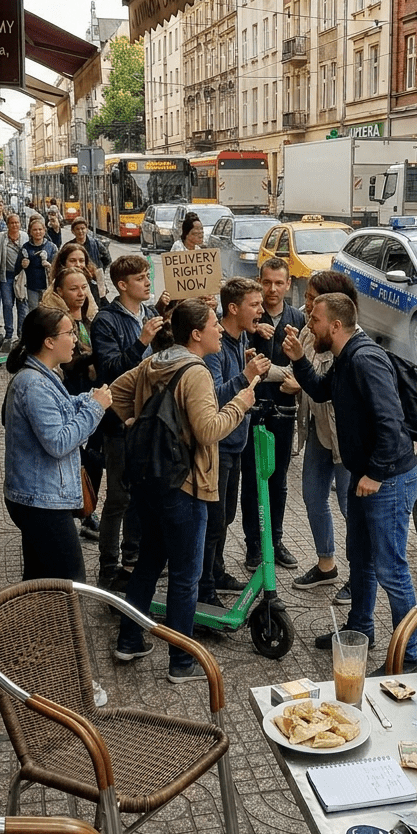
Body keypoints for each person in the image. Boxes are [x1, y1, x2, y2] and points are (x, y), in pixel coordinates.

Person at [109, 300, 255, 682]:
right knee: (186, 575)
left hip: (150, 481)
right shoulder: (197, 372)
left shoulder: (154, 362)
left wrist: (133, 422)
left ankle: (129, 640)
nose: (220, 330)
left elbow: (117, 391)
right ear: (196, 334)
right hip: (185, 484)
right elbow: (208, 430)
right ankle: (182, 661)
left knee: (148, 563)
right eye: (213, 325)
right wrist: (241, 403)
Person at [283, 293, 417, 668]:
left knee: (392, 570)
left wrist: (375, 474)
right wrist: (298, 358)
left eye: (315, 320)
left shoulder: (365, 359)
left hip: (388, 480)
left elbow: (391, 423)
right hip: (366, 478)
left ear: (336, 326)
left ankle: (410, 657)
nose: (310, 327)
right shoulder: (344, 359)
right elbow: (320, 389)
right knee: (360, 558)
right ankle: (360, 628)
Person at [3, 305, 111, 583]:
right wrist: (94, 409)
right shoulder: (34, 383)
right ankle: (60, 627)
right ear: (49, 341)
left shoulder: (43, 375)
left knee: (39, 579)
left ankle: (30, 626)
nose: (75, 339)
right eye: (69, 333)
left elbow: (60, 408)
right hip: (41, 502)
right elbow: (58, 442)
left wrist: (88, 399)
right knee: (69, 581)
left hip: (37, 497)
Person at [91, 255, 166, 589]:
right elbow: (109, 370)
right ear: (122, 286)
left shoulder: (150, 314)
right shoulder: (106, 321)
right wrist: (141, 342)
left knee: (142, 492)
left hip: (148, 417)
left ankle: (132, 557)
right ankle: (108, 564)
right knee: (119, 496)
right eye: (140, 278)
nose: (148, 283)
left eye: (148, 276)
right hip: (119, 419)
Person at [200, 278, 270, 605]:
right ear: (233, 308)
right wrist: (245, 375)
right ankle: (203, 589)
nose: (261, 309)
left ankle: (216, 571)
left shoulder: (239, 342)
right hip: (218, 447)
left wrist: (248, 369)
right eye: (254, 305)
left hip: (235, 444)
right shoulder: (216, 347)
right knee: (213, 521)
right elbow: (212, 397)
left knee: (225, 516)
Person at [293, 271, 358, 606]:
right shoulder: (310, 330)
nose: (305, 306)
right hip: (320, 430)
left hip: (345, 437)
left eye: (312, 299)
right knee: (313, 495)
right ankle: (326, 564)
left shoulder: (352, 346)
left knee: (351, 507)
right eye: (307, 298)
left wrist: (296, 377)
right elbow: (304, 376)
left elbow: (322, 386)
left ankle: (359, 577)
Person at [240, 257, 304, 571]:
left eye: (279, 283)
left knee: (278, 480)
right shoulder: (249, 316)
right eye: (267, 282)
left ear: (289, 283)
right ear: (260, 281)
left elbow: (304, 367)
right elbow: (242, 360)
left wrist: (297, 379)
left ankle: (275, 540)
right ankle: (254, 545)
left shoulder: (297, 318)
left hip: (285, 412)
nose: (272, 289)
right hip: (253, 409)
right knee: (252, 479)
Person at [44, 268, 101, 542]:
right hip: (71, 396)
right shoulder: (53, 322)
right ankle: (75, 510)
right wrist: (94, 358)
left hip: (90, 397)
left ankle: (87, 510)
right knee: (76, 455)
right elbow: (68, 364)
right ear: (59, 292)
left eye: (84, 287)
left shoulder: (92, 316)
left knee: (92, 460)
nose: (80, 294)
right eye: (73, 289)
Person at [0, 213, 28, 349]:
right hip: (5, 276)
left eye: (17, 222)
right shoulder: (0, 237)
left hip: (21, 276)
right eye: (12, 223)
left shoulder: (24, 237)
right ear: (7, 224)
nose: (14, 225)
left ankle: (21, 334)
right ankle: (9, 333)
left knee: (22, 304)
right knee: (7, 303)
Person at [14, 216, 57, 312]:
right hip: (31, 286)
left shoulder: (51, 247)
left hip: (48, 286)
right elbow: (16, 268)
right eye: (35, 230)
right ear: (30, 232)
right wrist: (22, 265)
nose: (38, 232)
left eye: (40, 229)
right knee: (34, 311)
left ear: (44, 231)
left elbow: (58, 267)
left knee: (48, 312)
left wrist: (49, 266)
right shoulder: (25, 248)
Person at [50, 241, 103, 307]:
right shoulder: (54, 286)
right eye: (72, 261)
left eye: (81, 261)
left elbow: (103, 304)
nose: (78, 265)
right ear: (63, 263)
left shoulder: (94, 282)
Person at [70, 218, 111, 301]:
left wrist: (99, 270)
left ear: (87, 229)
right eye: (77, 229)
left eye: (82, 228)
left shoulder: (96, 244)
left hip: (95, 281)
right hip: (77, 280)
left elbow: (107, 259)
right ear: (73, 231)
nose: (80, 231)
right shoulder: (69, 246)